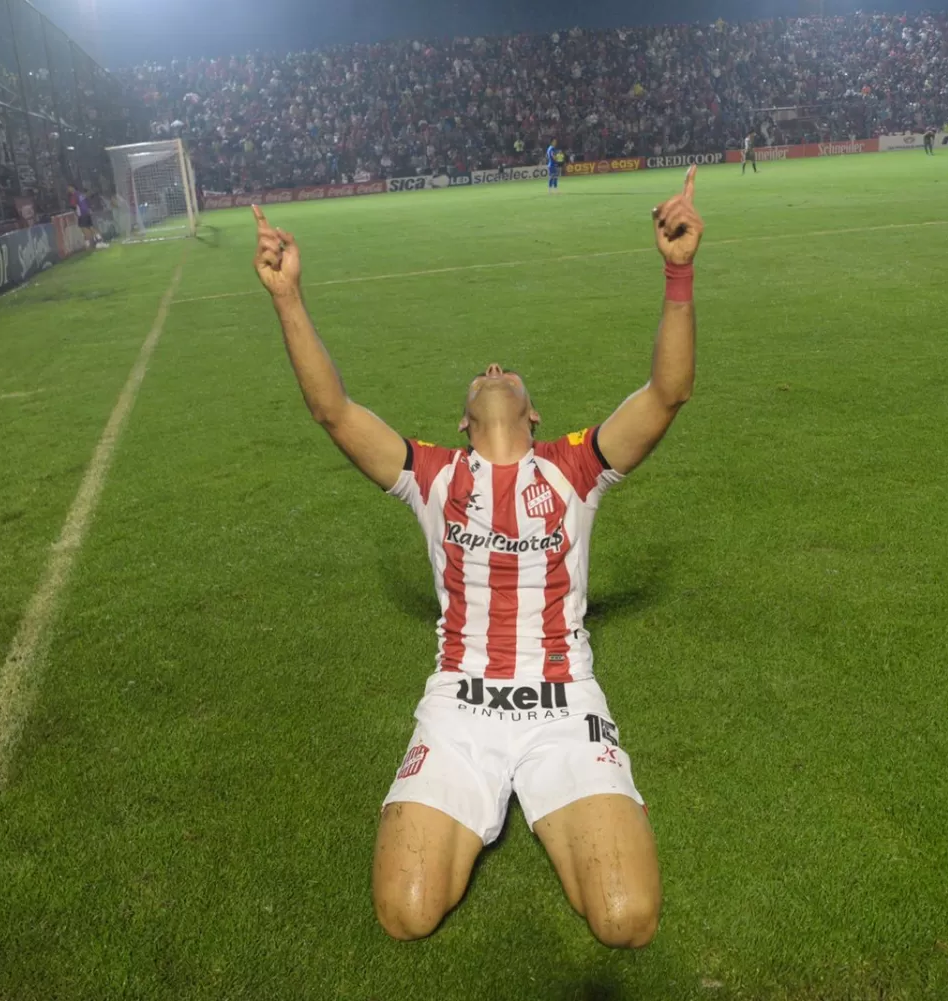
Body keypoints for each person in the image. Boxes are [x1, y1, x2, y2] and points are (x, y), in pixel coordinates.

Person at [250, 166, 704, 947]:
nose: (494, 367)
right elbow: (333, 409)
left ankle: (564, 793)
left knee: (628, 919)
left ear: (533, 413)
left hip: (562, 704)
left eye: (506, 374)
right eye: (482, 376)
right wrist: (288, 297)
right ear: (464, 422)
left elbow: (667, 394)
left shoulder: (575, 468)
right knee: (405, 911)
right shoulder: (431, 476)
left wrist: (678, 272)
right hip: (461, 706)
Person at [69, 184, 107, 249]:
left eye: (69, 188)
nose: (68, 189)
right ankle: (100, 242)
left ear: (73, 188)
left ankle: (89, 245)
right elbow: (87, 203)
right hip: (87, 213)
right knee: (91, 227)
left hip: (82, 215)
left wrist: (76, 213)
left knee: (85, 230)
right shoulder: (81, 194)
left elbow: (73, 206)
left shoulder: (74, 196)